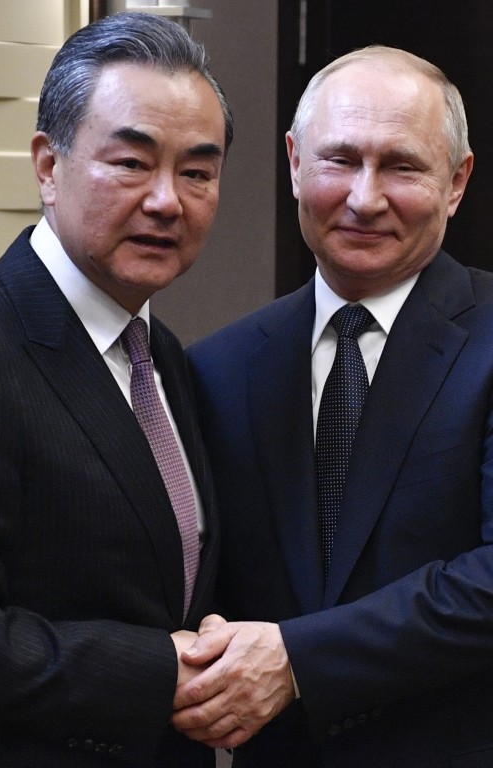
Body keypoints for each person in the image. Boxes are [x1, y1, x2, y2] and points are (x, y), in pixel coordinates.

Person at [0, 11, 233, 768]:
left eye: (196, 171)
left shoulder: (161, 355)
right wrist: (169, 670)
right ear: (48, 165)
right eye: (131, 163)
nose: (167, 200)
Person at [177, 45, 493, 767]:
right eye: (339, 159)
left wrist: (296, 660)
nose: (364, 196)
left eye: (402, 166)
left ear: (456, 181)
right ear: (294, 164)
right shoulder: (218, 368)